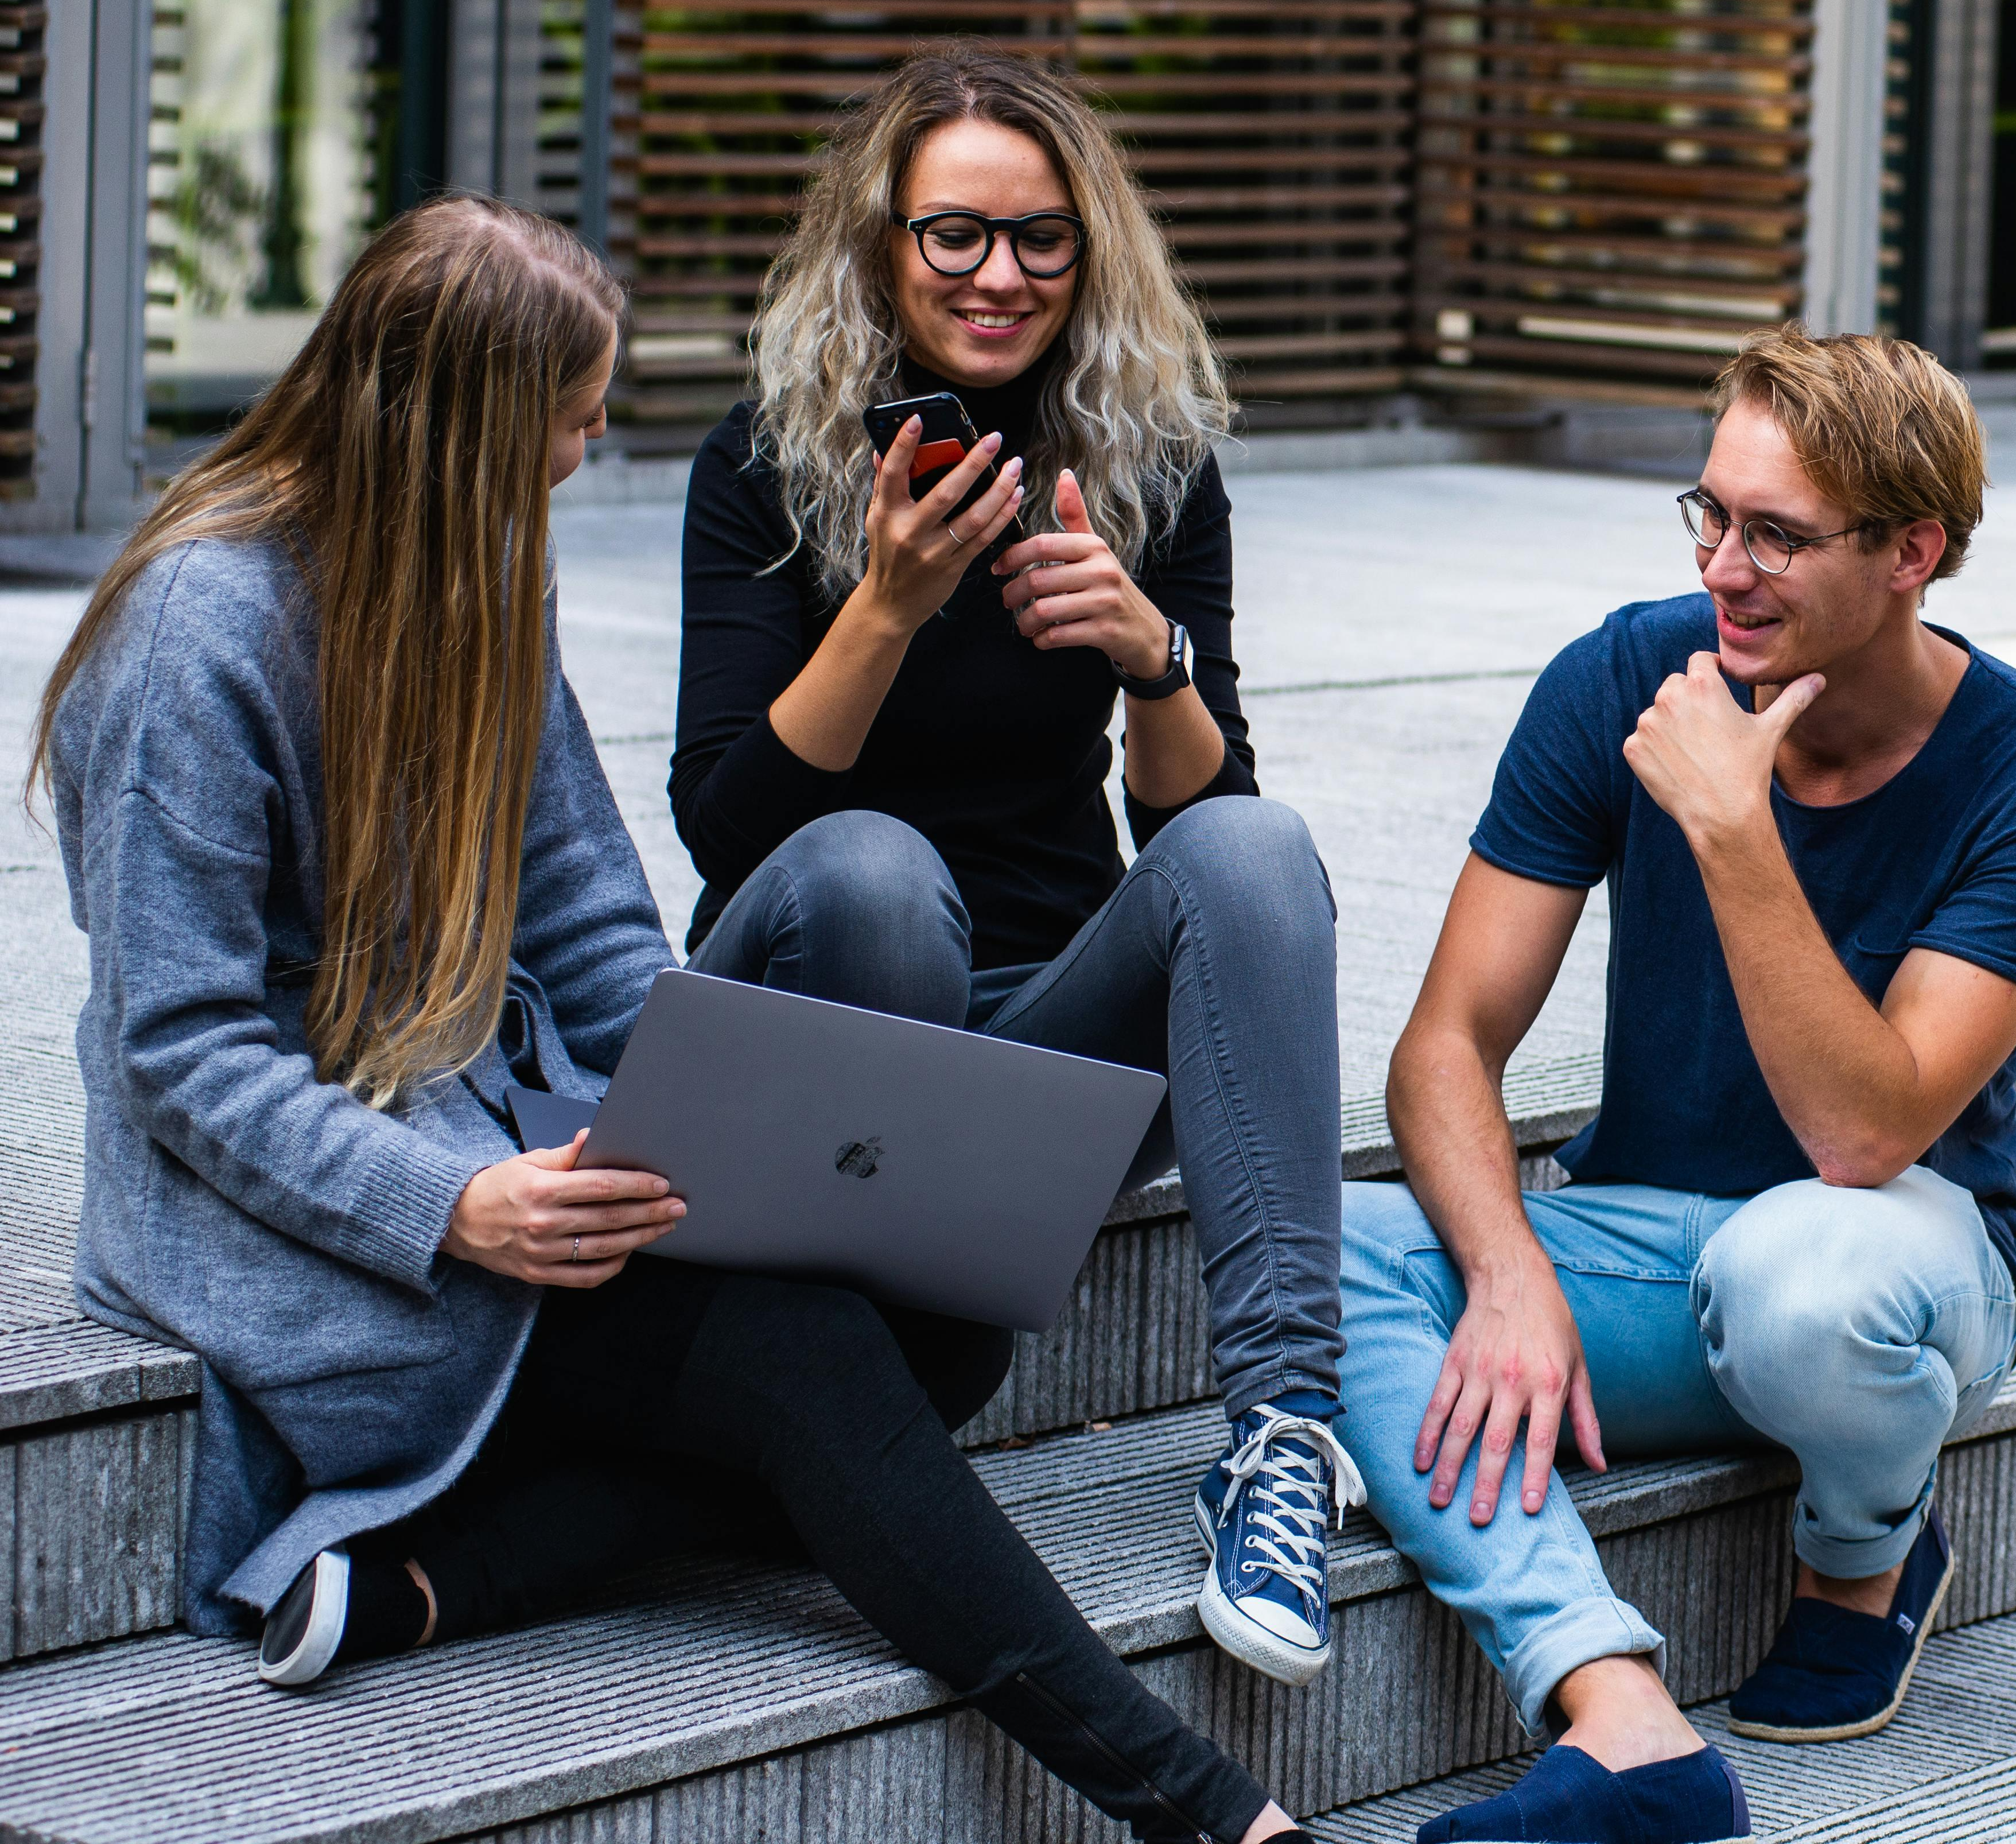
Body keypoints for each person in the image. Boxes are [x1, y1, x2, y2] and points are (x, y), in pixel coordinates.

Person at [33, 196, 1315, 1844]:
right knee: (807, 1353)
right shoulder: (195, 634)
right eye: (566, 424)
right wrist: (456, 1205)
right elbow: (184, 1050)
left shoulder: (476, 568)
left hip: (515, 1151)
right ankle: (1203, 1806)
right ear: (461, 421)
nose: (577, 460)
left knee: (947, 1338)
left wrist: (681, 1120)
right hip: (313, 1225)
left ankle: (441, 1576)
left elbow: (588, 920)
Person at [1332, 328, 2016, 1843]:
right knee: (1320, 1241)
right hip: (1641, 1239)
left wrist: (1733, 826)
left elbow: (1865, 1129)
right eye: (1708, 514)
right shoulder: (1622, 673)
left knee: (1799, 1274)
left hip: (1894, 1255)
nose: (1723, 566)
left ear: (1912, 550)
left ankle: (1863, 1548)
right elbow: (1444, 1042)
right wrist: (1504, 1272)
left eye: (1774, 533)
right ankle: (1613, 1710)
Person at [667, 40, 1357, 1688]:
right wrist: (886, 605)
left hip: (1038, 1058)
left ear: (1089, 247)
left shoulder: (1149, 464)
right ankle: (858, 1368)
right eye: (952, 234)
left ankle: (1279, 1440)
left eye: (1040, 236)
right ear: (880, 242)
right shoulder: (762, 465)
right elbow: (728, 827)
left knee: (1258, 850)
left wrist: (1151, 658)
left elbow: (1206, 845)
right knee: (874, 872)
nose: (998, 276)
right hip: (820, 1020)